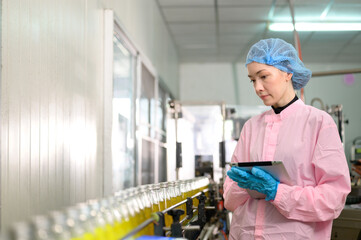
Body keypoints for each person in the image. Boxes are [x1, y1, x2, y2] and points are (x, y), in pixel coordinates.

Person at [223, 38, 351, 240]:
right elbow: (229, 198)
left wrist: (278, 192)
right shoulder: (251, 127)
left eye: (264, 76)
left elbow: (333, 199)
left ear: (288, 73)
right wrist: (243, 185)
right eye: (252, 80)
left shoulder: (318, 123)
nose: (258, 87)